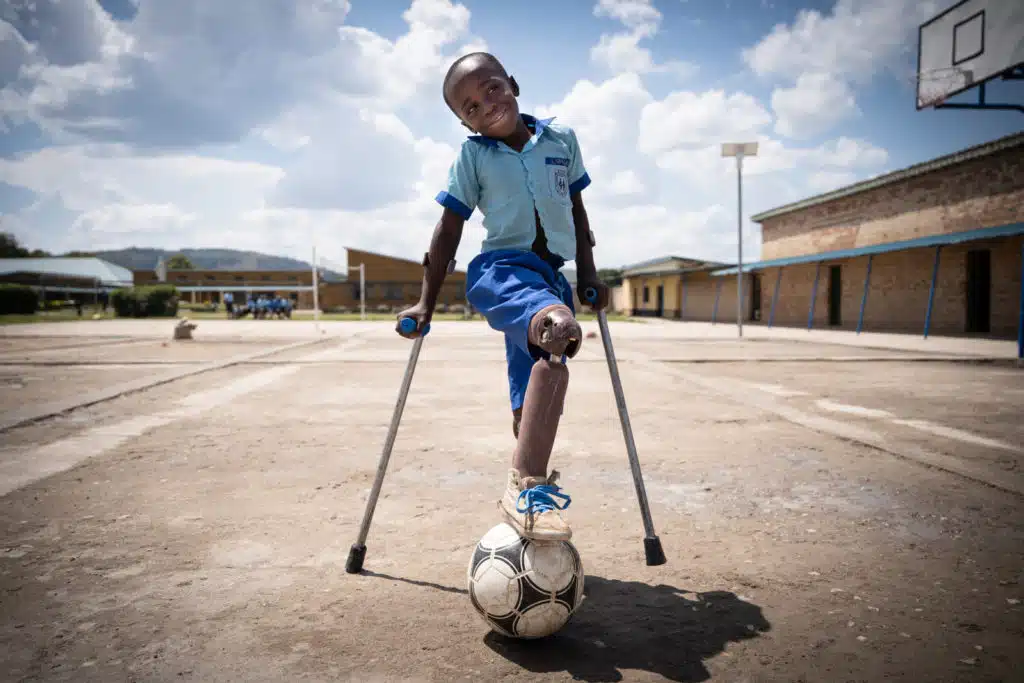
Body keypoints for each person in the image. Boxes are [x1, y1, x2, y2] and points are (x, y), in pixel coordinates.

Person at [396, 52, 610, 542]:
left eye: (491, 89)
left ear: (512, 82)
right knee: (555, 326)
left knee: (540, 383)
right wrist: (425, 303)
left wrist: (589, 274)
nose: (485, 105)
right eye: (469, 107)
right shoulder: (474, 157)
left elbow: (577, 213)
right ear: (462, 122)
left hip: (551, 280)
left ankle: (526, 487)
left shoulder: (562, 141)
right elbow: (449, 227)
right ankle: (547, 320)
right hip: (502, 273)